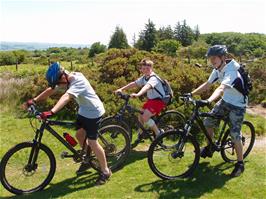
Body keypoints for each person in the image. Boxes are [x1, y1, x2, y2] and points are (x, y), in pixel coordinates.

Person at [25, 62, 111, 185]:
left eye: (59, 83)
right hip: (83, 110)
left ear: (63, 76)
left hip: (94, 112)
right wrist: (34, 100)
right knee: (80, 135)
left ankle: (105, 171)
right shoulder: (65, 78)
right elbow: (52, 89)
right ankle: (88, 159)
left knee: (93, 142)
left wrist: (52, 111)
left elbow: (67, 96)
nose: (59, 86)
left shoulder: (78, 81)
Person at [189, 45, 247, 177]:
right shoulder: (217, 69)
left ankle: (240, 163)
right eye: (210, 58)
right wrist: (191, 94)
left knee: (234, 134)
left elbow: (221, 88)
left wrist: (209, 101)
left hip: (238, 105)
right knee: (208, 121)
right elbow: (208, 84)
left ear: (223, 57)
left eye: (214, 58)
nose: (211, 60)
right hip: (226, 100)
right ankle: (210, 147)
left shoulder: (232, 71)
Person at [114, 58, 166, 143]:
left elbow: (147, 86)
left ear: (151, 68)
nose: (145, 70)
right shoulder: (144, 77)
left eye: (147, 68)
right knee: (140, 115)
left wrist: (138, 94)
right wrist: (121, 89)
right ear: (141, 69)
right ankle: (141, 134)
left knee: (145, 117)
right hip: (151, 100)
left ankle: (159, 133)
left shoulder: (153, 78)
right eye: (143, 68)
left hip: (159, 101)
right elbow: (134, 83)